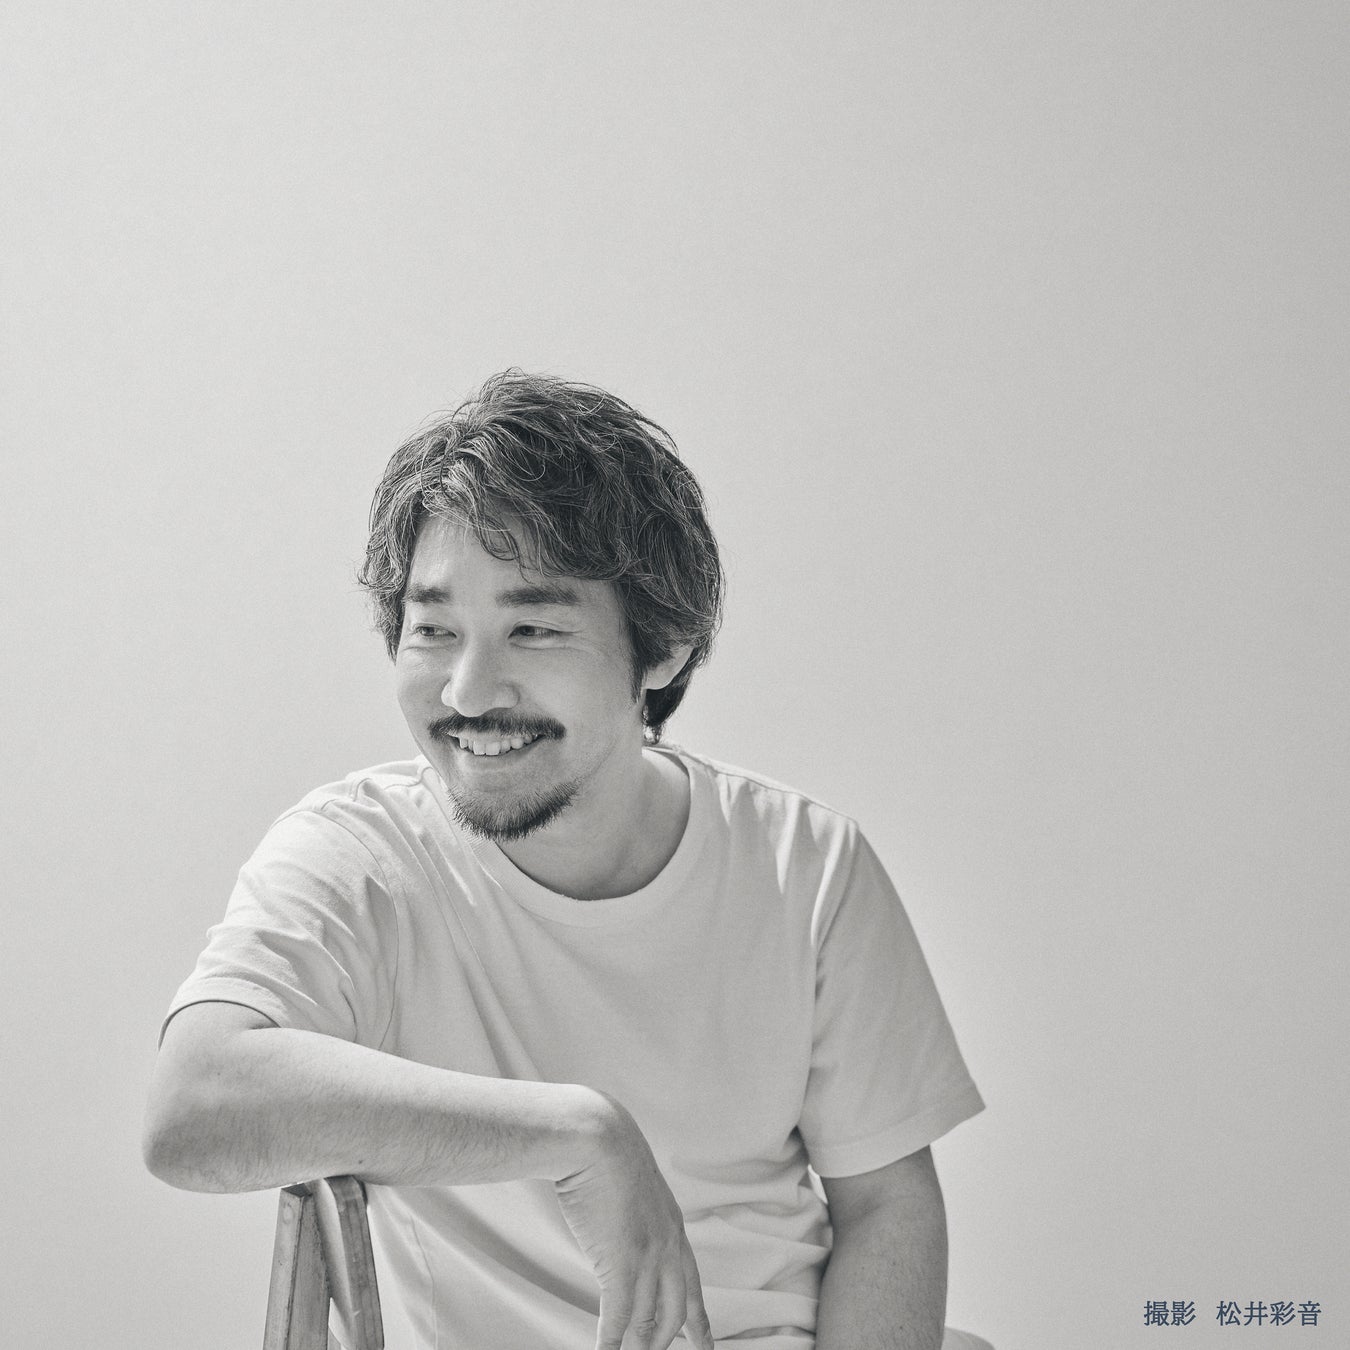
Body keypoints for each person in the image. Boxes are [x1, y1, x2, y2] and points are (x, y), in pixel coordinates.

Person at [144, 371, 989, 1350]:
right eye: (434, 630)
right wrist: (578, 1136)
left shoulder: (806, 865)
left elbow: (885, 1205)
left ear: (664, 649)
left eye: (534, 629)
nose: (468, 692)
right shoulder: (360, 857)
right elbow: (192, 1109)